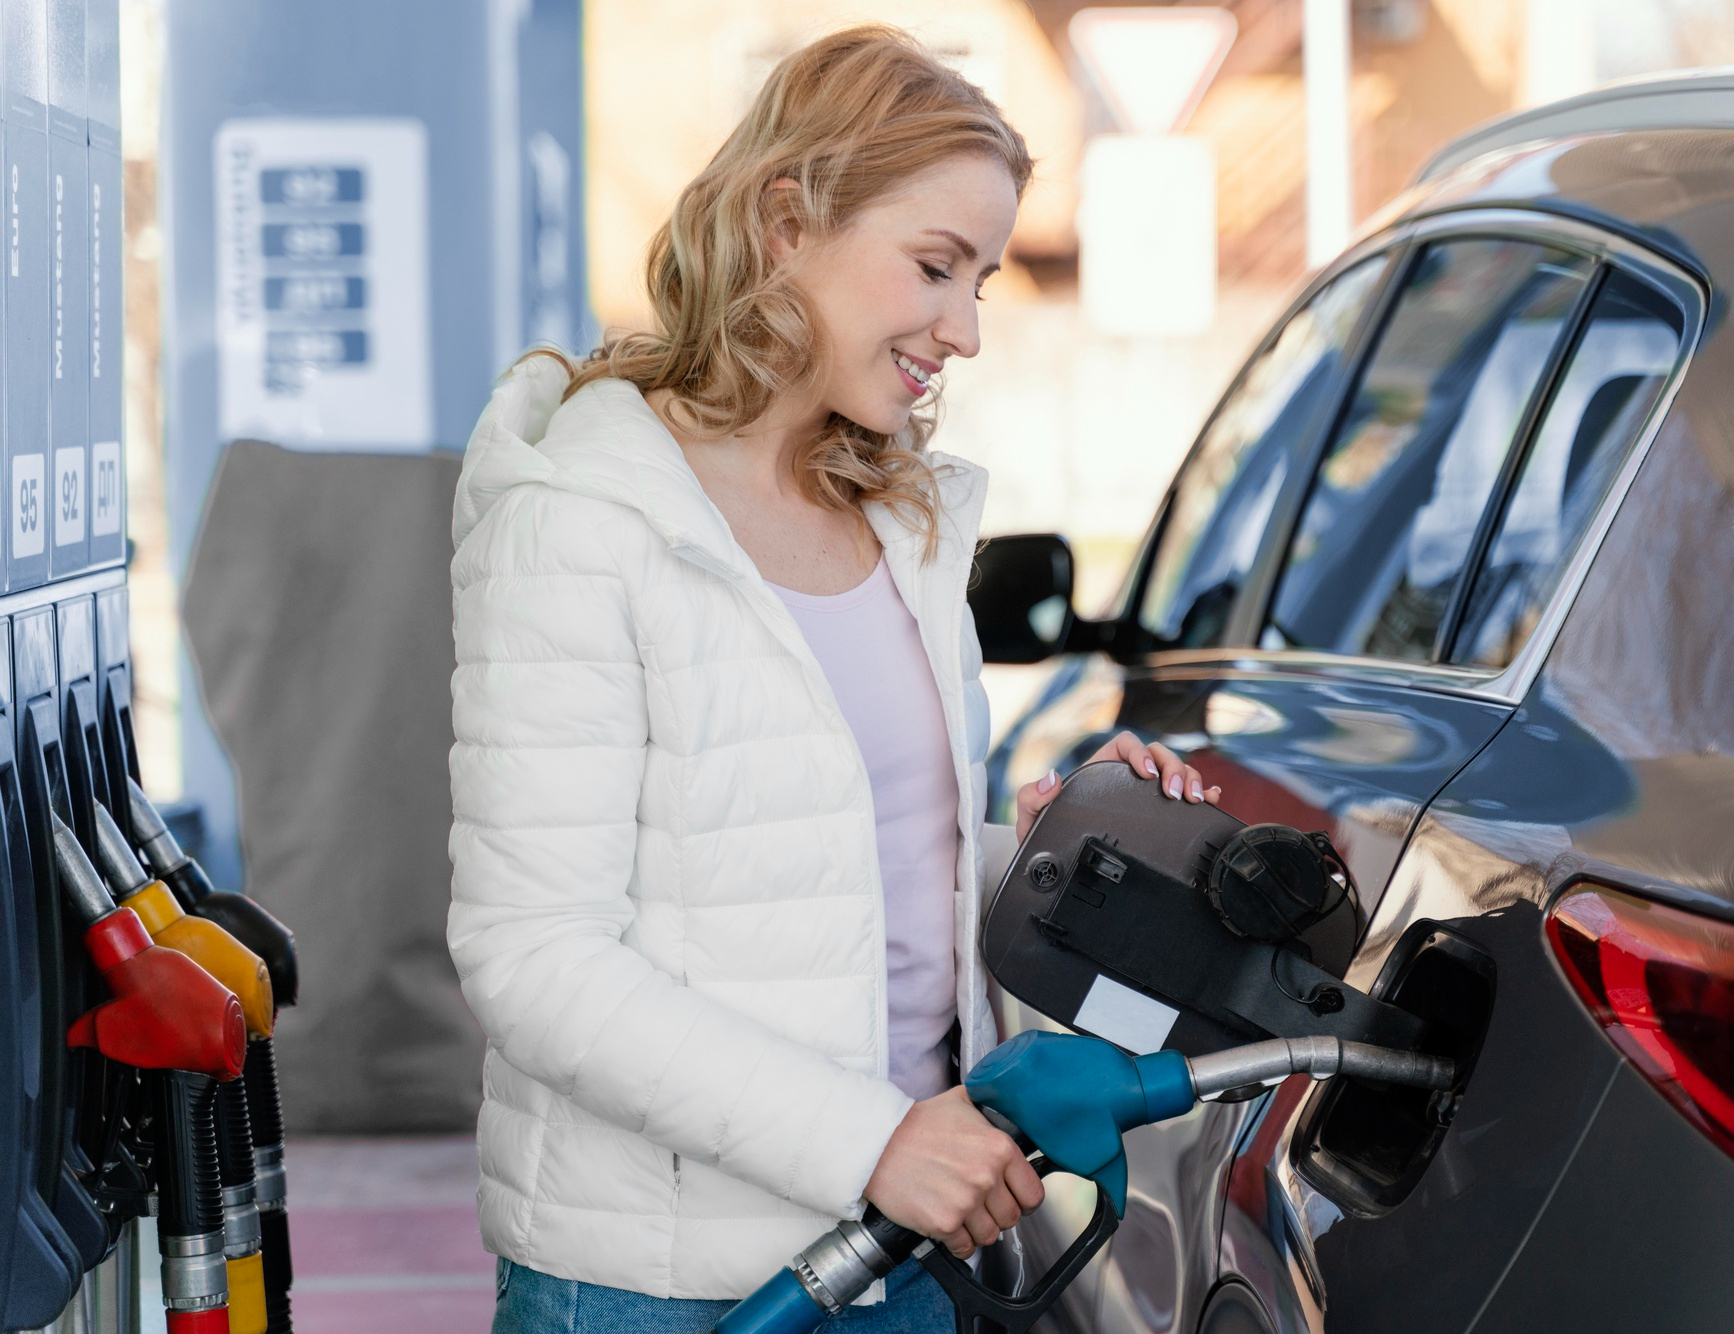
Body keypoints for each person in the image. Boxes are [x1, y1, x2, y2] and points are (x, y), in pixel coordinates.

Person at [448, 24, 1219, 1334]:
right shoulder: (582, 515)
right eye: (935, 265)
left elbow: (815, 869)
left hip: (899, 1252)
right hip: (661, 1285)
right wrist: (873, 1140)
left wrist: (1043, 855)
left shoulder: (893, 520)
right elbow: (534, 954)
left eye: (981, 281)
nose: (965, 329)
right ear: (784, 222)